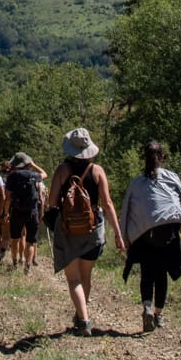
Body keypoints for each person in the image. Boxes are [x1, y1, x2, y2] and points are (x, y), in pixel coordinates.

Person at [46, 127, 124, 335]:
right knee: (86, 276)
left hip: (68, 229)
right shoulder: (97, 171)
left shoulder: (62, 170)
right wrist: (118, 232)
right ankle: (82, 314)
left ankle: (84, 320)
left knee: (73, 279)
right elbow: (107, 204)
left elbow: (52, 202)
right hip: (93, 228)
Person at [118, 140, 181, 332]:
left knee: (147, 273)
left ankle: (146, 307)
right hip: (168, 236)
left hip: (144, 237)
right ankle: (158, 315)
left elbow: (127, 211)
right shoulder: (171, 178)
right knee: (161, 275)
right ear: (162, 158)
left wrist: (125, 238)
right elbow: (180, 210)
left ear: (144, 159)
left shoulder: (136, 184)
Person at [5, 152, 46, 272]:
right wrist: (34, 165)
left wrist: (6, 212)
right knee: (31, 241)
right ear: (27, 163)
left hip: (16, 211)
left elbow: (8, 197)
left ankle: (15, 263)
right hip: (32, 212)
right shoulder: (35, 176)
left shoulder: (12, 176)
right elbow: (45, 174)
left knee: (15, 238)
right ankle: (27, 266)